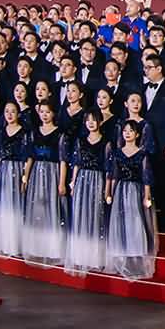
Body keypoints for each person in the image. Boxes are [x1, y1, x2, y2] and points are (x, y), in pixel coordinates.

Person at [60, 110, 111, 276]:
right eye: (88, 120)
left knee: (95, 216)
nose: (90, 123)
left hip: (97, 180)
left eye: (94, 120)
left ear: (100, 122)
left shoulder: (106, 143)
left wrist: (106, 189)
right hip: (82, 180)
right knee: (80, 216)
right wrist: (73, 183)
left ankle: (95, 257)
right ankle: (80, 255)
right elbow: (76, 163)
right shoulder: (80, 141)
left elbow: (108, 168)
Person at [105, 120, 156, 279]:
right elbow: (112, 175)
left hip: (135, 191)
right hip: (121, 191)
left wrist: (147, 195)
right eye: (125, 131)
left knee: (136, 221)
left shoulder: (142, 154)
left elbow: (146, 176)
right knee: (120, 221)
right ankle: (121, 258)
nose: (127, 133)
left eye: (131, 131)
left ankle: (135, 259)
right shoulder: (117, 153)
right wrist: (109, 192)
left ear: (137, 134)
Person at [138, 52, 165, 231]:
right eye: (145, 68)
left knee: (164, 184)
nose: (146, 71)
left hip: (163, 144)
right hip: (142, 145)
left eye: (149, 68)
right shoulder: (141, 89)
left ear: (159, 69)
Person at [21, 101, 66, 265]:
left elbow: (62, 160)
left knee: (51, 209)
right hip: (36, 174)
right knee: (37, 209)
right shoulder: (34, 133)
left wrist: (61, 183)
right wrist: (25, 178)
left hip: (52, 173)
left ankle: (51, 248)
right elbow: (30, 158)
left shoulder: (60, 134)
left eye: (48, 112)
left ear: (53, 113)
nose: (44, 115)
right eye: (42, 112)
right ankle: (36, 247)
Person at [0, 101, 31, 257]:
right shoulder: (1, 133)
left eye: (13, 111)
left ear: (18, 114)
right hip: (4, 171)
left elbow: (28, 157)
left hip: (17, 170)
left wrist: (24, 177)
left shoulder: (24, 133)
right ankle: (5, 243)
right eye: (7, 111)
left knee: (17, 207)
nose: (9, 114)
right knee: (4, 207)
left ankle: (16, 245)